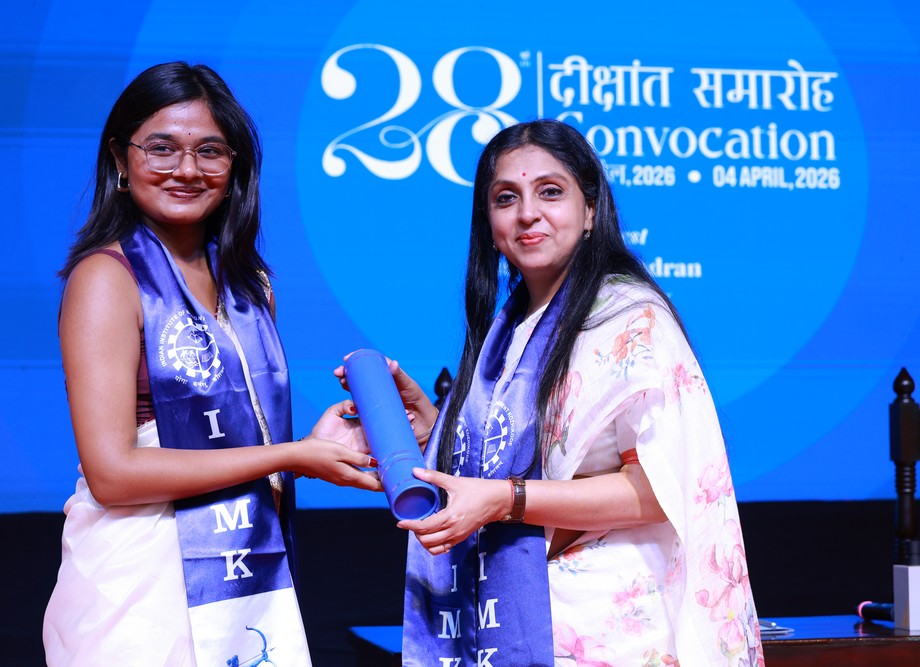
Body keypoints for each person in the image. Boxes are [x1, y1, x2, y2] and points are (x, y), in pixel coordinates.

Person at [345, 119, 763, 666]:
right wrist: (432, 425)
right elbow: (514, 457)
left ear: (590, 210)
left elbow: (657, 490)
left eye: (550, 192)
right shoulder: (509, 326)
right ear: (487, 221)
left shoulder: (628, 319)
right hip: (520, 618)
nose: (527, 214)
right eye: (505, 198)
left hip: (603, 634)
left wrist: (508, 499)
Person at [42, 62, 381, 667]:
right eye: (162, 148)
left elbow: (239, 442)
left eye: (210, 151)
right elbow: (112, 474)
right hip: (138, 574)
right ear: (120, 159)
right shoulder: (105, 278)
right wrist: (288, 456)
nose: (187, 169)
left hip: (244, 561)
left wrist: (310, 448)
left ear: (235, 167)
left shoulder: (251, 286)